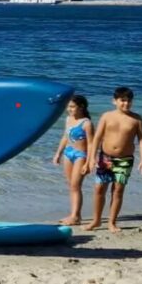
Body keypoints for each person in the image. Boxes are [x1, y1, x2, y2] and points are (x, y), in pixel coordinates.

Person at [83, 87, 142, 233]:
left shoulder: (136, 119)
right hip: (105, 158)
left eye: (129, 101)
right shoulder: (107, 116)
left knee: (118, 191)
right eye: (122, 100)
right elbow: (97, 138)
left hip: (125, 160)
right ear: (115, 101)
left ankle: (112, 222)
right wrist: (91, 158)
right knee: (99, 189)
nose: (126, 104)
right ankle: (96, 220)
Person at [52, 95, 94, 226]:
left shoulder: (86, 123)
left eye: (72, 107)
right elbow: (65, 137)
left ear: (81, 107)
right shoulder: (68, 119)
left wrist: (89, 162)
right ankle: (75, 214)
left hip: (80, 155)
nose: (69, 109)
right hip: (68, 153)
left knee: (76, 185)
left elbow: (92, 144)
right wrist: (58, 153)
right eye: (68, 107)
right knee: (71, 185)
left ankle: (75, 216)